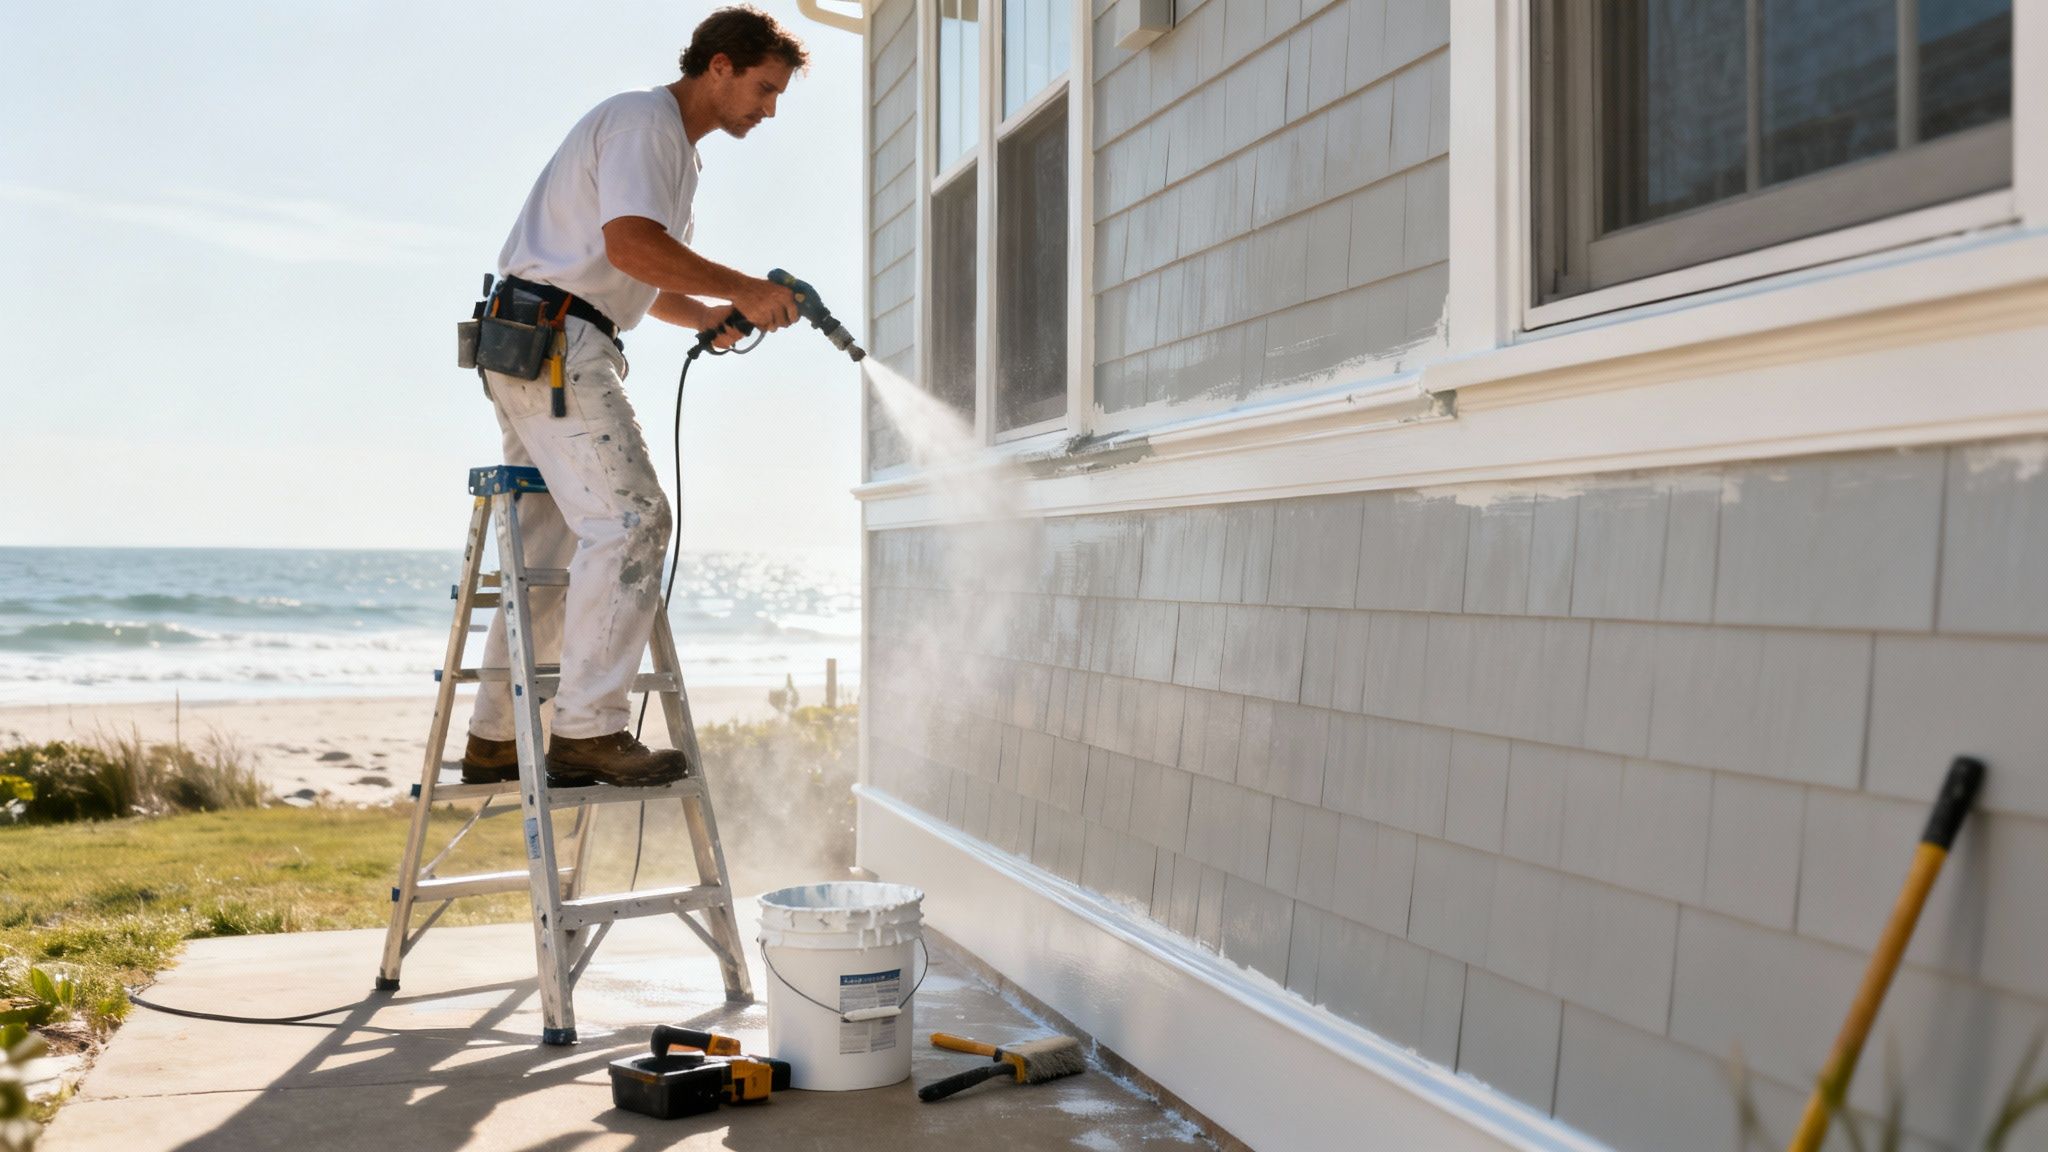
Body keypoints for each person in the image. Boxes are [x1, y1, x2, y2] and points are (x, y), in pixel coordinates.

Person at [461, 6, 806, 787]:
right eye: (762, 87)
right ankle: (587, 732)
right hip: (557, 344)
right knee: (634, 520)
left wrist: (713, 311)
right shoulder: (647, 123)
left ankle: (493, 739)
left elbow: (639, 280)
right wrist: (745, 288)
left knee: (550, 551)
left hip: (536, 339)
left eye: (778, 95)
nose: (768, 108)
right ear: (718, 65)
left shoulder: (670, 149)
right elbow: (632, 246)